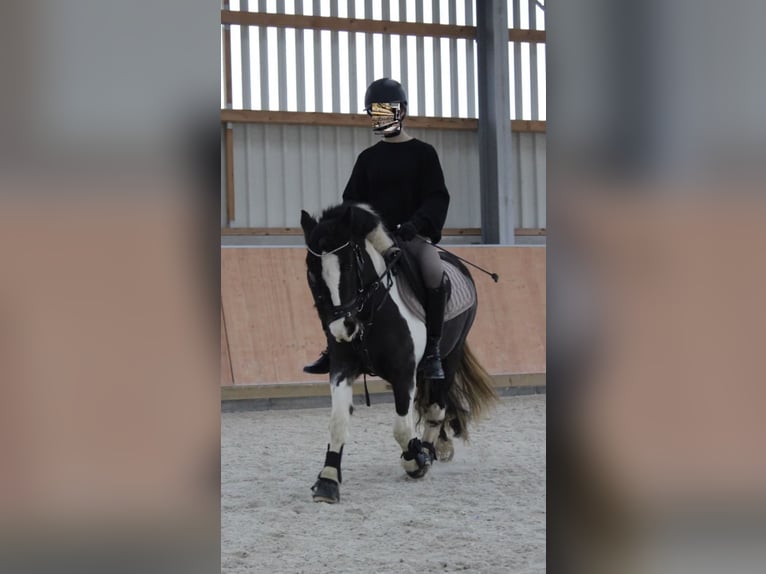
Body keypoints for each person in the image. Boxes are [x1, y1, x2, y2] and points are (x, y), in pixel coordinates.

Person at [304, 78, 450, 380]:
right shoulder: (367, 159)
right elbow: (351, 203)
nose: (381, 117)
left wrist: (418, 224)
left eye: (387, 110)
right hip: (374, 242)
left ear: (403, 111)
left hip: (412, 237)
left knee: (434, 270)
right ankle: (335, 347)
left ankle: (433, 349)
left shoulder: (424, 153)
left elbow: (437, 196)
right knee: (336, 279)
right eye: (376, 112)